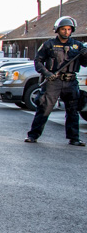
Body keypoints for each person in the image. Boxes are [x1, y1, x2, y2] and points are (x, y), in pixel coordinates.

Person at [24, 16, 87, 146]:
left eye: (69, 29)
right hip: (53, 81)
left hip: (71, 81)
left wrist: (86, 54)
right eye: (63, 29)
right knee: (44, 109)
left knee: (73, 111)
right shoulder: (49, 44)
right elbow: (38, 61)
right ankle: (33, 136)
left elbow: (85, 64)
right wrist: (47, 73)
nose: (66, 31)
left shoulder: (78, 46)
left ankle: (74, 138)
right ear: (57, 30)